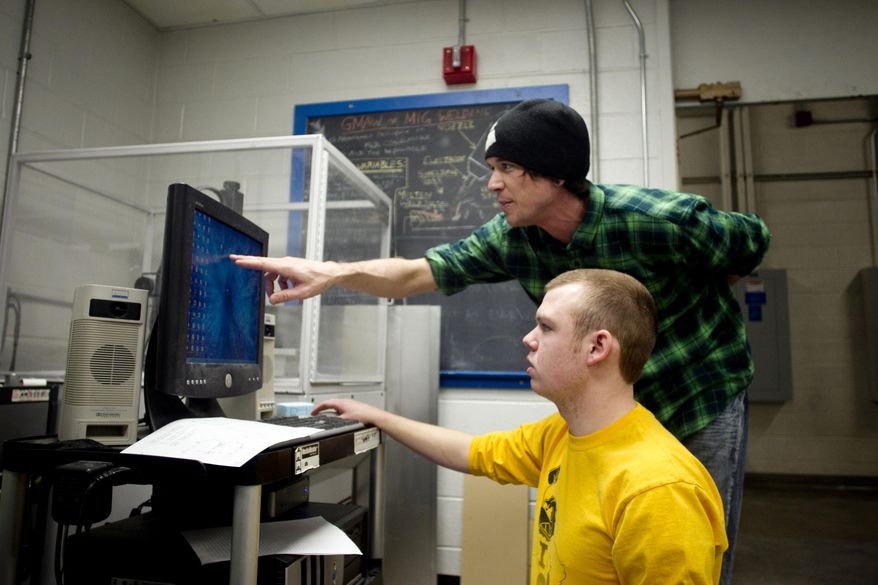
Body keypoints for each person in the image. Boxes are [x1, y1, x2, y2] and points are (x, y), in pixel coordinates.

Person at [232, 98, 770, 583]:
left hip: (702, 391)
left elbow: (752, 242)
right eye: (492, 169)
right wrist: (329, 274)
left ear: (555, 175)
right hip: (615, 407)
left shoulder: (659, 220)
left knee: (683, 536)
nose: (492, 184)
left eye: (506, 168)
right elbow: (417, 274)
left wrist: (702, 288)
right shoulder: (511, 239)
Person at [312, 269, 728, 584]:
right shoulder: (561, 434)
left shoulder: (658, 491)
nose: (528, 339)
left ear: (597, 347)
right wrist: (377, 417)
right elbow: (471, 452)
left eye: (546, 327)